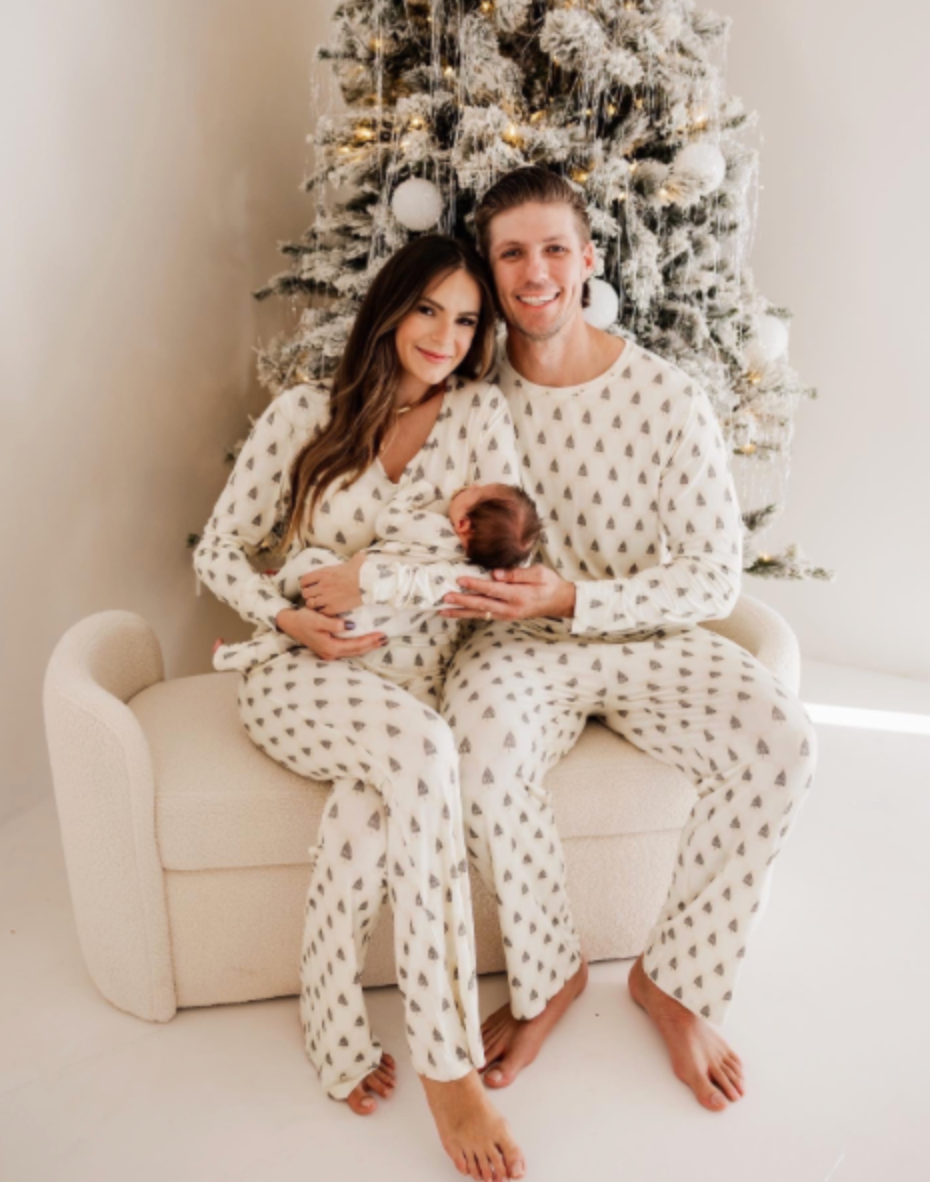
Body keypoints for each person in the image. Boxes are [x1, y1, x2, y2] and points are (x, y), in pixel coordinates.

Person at [430, 166, 819, 1113]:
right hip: (517, 647)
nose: (534, 273)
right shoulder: (469, 393)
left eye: (554, 248)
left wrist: (578, 600)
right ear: (489, 266)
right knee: (476, 758)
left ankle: (674, 984)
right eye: (511, 253)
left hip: (646, 633)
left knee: (783, 743)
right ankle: (551, 973)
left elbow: (712, 576)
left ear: (588, 258)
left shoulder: (667, 397)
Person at [194, 234, 527, 1181]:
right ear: (390, 307)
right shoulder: (305, 414)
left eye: (467, 321)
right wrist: (289, 618)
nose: (447, 336)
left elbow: (484, 563)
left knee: (372, 815)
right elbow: (220, 551)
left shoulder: (480, 418)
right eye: (429, 309)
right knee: (421, 753)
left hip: (402, 686)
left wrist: (369, 577)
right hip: (295, 675)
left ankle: (332, 1025)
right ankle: (449, 1069)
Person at [211, 478, 542, 694]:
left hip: (343, 589)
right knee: (296, 641)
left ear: (462, 523)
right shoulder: (466, 577)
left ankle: (275, 587)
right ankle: (234, 656)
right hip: (370, 631)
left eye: (474, 490)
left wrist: (419, 492)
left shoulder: (434, 528)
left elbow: (389, 521)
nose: (469, 485)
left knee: (311, 560)